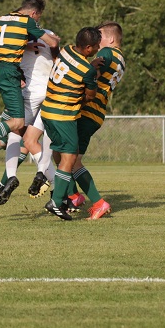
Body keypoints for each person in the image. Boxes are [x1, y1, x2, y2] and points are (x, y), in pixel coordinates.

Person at [0, 0, 60, 196]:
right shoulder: (29, 24)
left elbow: (16, 43)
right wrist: (53, 41)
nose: (37, 22)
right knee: (22, 130)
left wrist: (27, 46)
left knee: (20, 133)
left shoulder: (2, 19)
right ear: (34, 13)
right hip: (39, 87)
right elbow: (51, 44)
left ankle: (4, 177)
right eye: (38, 17)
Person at [0, 35, 58, 204]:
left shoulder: (17, 39)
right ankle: (56, 186)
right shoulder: (50, 36)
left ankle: (9, 177)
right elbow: (56, 52)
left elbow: (10, 66)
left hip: (31, 94)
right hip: (51, 93)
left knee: (17, 135)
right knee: (35, 140)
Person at [67, 21, 126, 220]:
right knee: (62, 155)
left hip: (89, 111)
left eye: (99, 36)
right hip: (95, 112)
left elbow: (90, 72)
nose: (96, 40)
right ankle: (73, 196)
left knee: (72, 161)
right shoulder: (120, 59)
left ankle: (98, 203)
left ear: (110, 39)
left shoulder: (108, 54)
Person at [41, 27, 101, 220]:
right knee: (70, 159)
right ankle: (57, 202)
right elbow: (90, 96)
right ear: (89, 47)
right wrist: (93, 72)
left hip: (47, 111)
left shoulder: (66, 50)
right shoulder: (87, 70)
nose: (100, 48)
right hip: (63, 115)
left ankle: (69, 197)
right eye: (97, 46)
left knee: (60, 156)